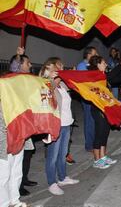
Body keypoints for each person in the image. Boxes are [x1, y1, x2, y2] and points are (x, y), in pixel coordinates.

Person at [39, 58, 79, 196]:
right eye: (58, 66)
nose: (61, 68)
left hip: (67, 123)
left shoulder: (61, 85)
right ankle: (52, 182)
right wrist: (53, 78)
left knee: (63, 154)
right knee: (53, 156)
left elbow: (73, 86)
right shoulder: (48, 84)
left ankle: (62, 178)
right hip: (55, 125)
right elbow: (45, 87)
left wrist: (72, 76)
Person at [88, 55, 121, 169]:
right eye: (103, 63)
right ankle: (96, 160)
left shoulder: (102, 76)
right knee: (99, 134)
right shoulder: (94, 76)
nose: (106, 64)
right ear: (97, 65)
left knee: (105, 133)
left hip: (106, 108)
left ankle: (103, 156)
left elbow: (114, 79)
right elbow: (111, 75)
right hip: (98, 109)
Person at [9, 52, 37, 197]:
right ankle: (16, 187)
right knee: (16, 158)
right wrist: (19, 56)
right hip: (17, 124)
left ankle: (23, 179)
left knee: (27, 154)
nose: (30, 65)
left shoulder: (28, 79)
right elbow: (14, 67)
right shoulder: (14, 78)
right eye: (27, 63)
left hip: (26, 123)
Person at [0, 62, 28, 207]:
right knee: (3, 175)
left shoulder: (19, 98)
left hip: (19, 140)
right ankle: (3, 203)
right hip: (4, 143)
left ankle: (14, 200)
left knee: (16, 172)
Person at [76, 47, 98, 152]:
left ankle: (94, 143)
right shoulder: (82, 66)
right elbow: (85, 82)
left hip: (94, 96)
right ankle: (89, 145)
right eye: (95, 53)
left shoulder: (92, 65)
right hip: (87, 97)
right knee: (89, 121)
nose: (97, 55)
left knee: (94, 120)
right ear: (88, 55)